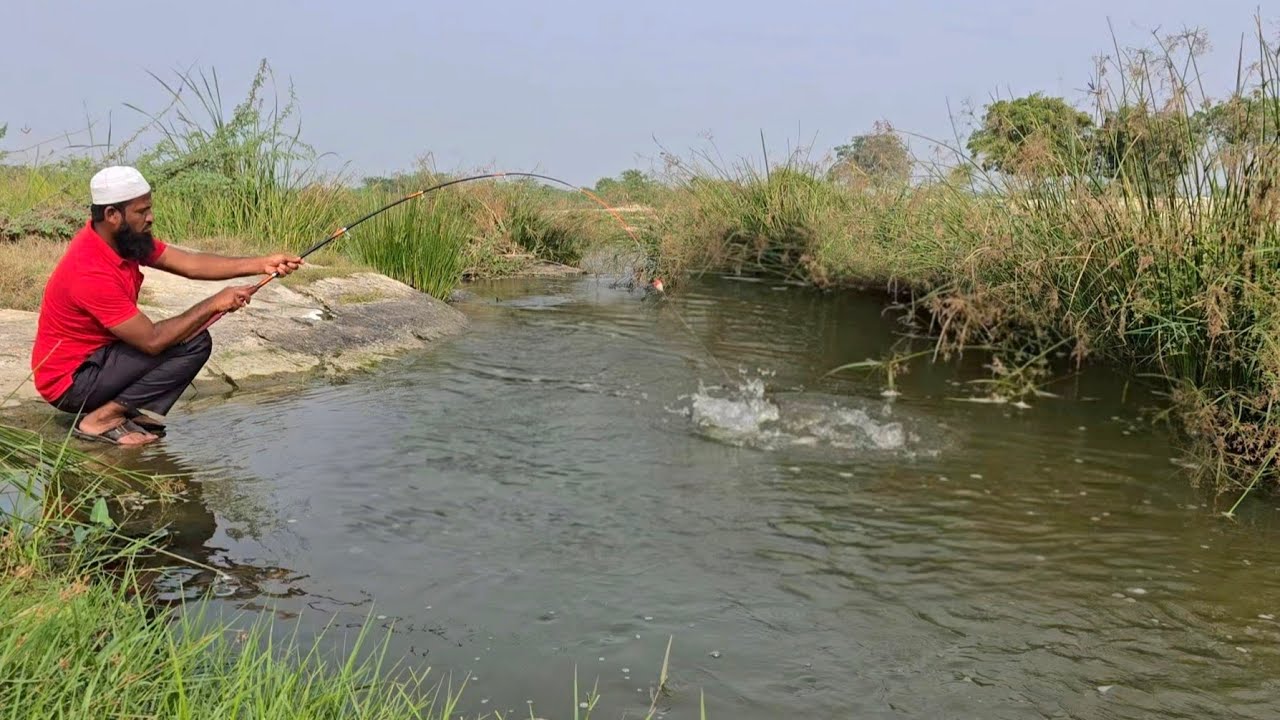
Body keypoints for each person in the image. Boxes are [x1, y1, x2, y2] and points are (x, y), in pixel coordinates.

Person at [30, 166, 303, 446]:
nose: (151, 217)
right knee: (193, 342)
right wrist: (214, 303)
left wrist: (260, 264)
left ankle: (124, 412)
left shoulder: (122, 240)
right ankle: (100, 420)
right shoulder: (89, 270)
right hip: (72, 383)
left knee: (192, 336)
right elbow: (152, 341)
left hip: (98, 358)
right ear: (112, 215)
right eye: (142, 211)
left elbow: (190, 263)